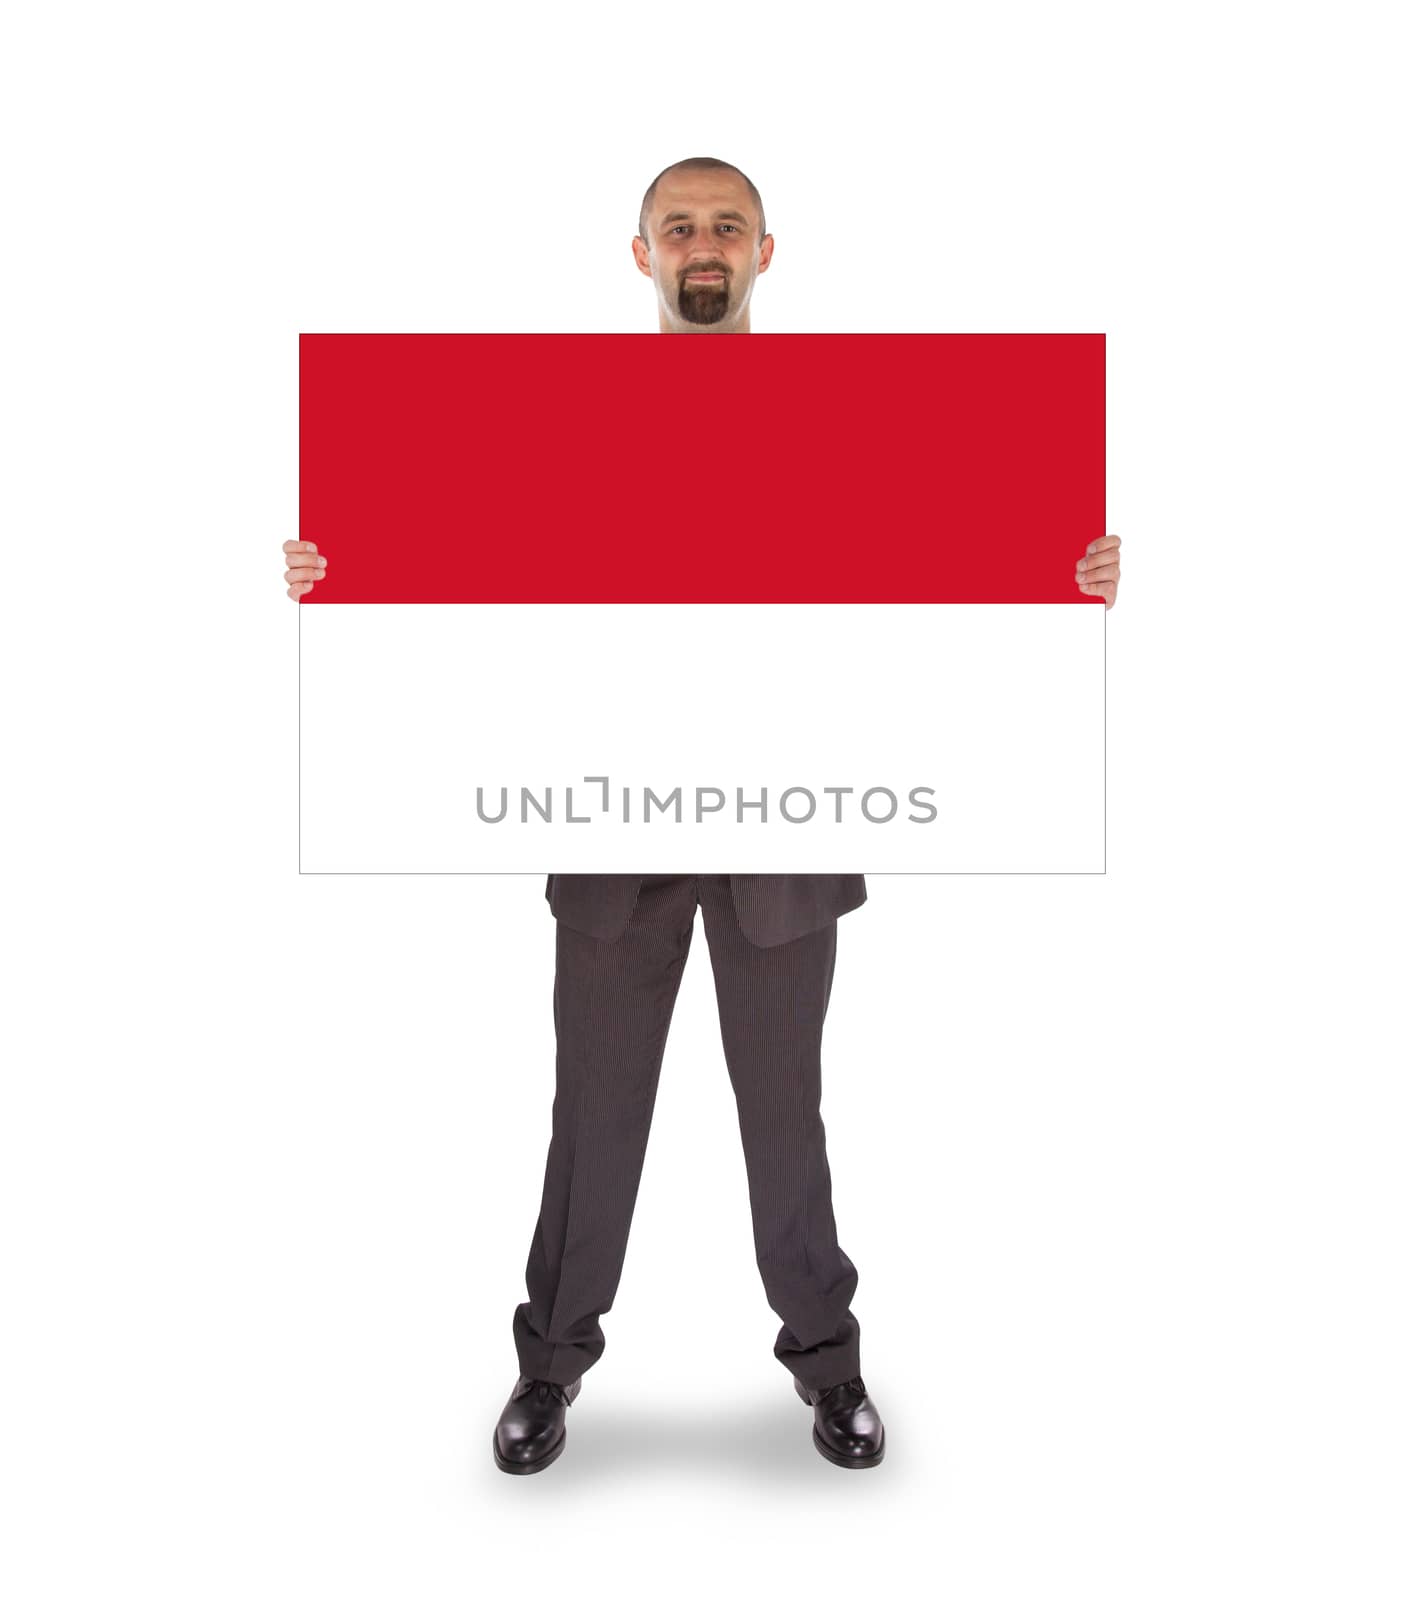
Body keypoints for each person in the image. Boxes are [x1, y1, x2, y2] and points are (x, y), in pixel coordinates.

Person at [282, 156, 1123, 1476]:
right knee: (593, 1114)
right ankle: (548, 1368)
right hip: (614, 820)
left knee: (785, 1116)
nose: (702, 244)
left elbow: (925, 554)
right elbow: (478, 556)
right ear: (643, 257)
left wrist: (1056, 562)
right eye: (679, 227)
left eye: (724, 224)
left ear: (764, 252)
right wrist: (347, 560)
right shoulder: (566, 423)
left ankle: (826, 1364)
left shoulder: (843, 421)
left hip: (779, 826)